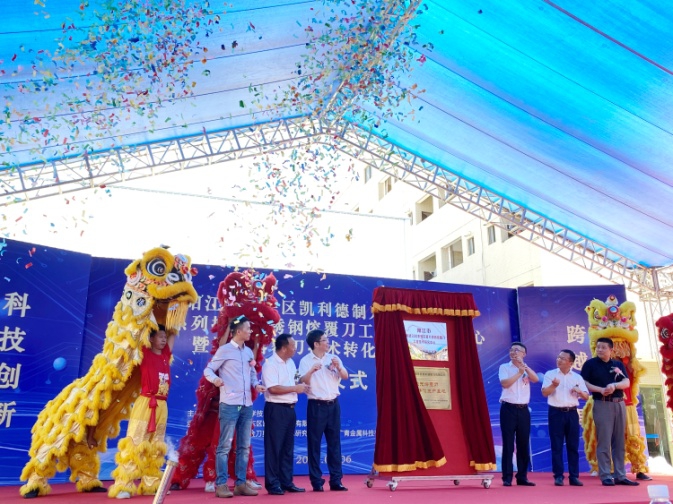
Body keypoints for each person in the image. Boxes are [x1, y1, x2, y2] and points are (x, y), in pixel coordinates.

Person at [108, 325, 176, 499]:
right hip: (146, 403)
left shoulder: (165, 356)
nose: (163, 339)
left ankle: (151, 484)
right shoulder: (145, 354)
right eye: (160, 336)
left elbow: (173, 335)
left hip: (162, 406)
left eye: (164, 337)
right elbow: (140, 334)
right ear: (151, 339)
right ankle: (123, 485)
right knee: (136, 443)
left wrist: (175, 322)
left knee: (156, 446)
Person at [204, 316, 266, 498]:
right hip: (230, 404)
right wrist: (215, 379)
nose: (250, 332)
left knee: (244, 446)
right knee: (224, 446)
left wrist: (256, 385)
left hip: (246, 405)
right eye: (247, 329)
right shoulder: (224, 350)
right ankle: (221, 484)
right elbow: (208, 370)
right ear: (238, 331)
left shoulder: (248, 352)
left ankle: (240, 484)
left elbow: (252, 373)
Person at [581, 337, 639, 486]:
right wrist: (600, 390)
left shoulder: (617, 364)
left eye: (603, 347)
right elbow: (584, 383)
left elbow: (626, 382)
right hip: (602, 403)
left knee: (619, 440)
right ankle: (606, 474)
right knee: (604, 440)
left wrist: (614, 385)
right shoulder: (590, 364)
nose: (599, 350)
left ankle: (620, 475)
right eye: (598, 347)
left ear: (611, 350)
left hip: (619, 404)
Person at [298, 329, 348, 492]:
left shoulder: (333, 358)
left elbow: (345, 376)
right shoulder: (306, 361)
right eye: (325, 340)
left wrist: (338, 367)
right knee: (314, 444)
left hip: (333, 405)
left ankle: (336, 480)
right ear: (316, 344)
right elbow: (302, 381)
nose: (328, 343)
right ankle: (316, 481)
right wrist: (312, 370)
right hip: (316, 406)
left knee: (334, 444)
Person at [261, 334, 309, 495]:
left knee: (287, 448)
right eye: (293, 346)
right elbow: (273, 388)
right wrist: (295, 388)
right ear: (283, 348)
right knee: (274, 447)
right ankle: (273, 483)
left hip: (290, 409)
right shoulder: (270, 364)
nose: (295, 349)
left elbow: (293, 382)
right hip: (276, 409)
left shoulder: (291, 363)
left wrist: (301, 386)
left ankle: (286, 481)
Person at [541, 349, 589, 486]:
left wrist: (579, 391)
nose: (559, 360)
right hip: (555, 413)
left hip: (572, 413)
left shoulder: (577, 377)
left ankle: (574, 476)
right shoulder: (550, 374)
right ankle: (558, 476)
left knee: (573, 446)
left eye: (563, 358)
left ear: (570, 362)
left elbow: (586, 396)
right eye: (558, 357)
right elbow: (545, 393)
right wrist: (554, 385)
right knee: (556, 445)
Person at [499, 342, 539, 487]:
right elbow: (505, 383)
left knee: (523, 444)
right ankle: (507, 477)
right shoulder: (504, 367)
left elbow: (535, 379)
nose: (513, 352)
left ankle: (522, 477)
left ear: (524, 354)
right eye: (511, 350)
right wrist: (518, 373)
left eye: (517, 350)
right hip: (508, 409)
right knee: (508, 443)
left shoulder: (526, 368)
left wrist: (524, 367)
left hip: (523, 410)